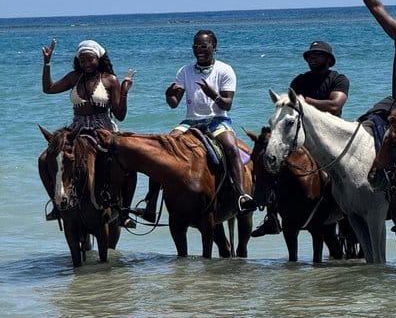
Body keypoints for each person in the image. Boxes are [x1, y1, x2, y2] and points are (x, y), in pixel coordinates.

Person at [135, 30, 254, 223]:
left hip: (217, 120)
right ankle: (151, 203)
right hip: (190, 121)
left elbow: (227, 105)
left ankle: (241, 195)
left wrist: (213, 94)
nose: (199, 50)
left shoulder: (225, 70)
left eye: (204, 47)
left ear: (214, 47)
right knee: (161, 148)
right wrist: (168, 95)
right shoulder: (185, 71)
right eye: (196, 47)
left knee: (231, 148)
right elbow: (174, 103)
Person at [251, 40, 350, 237]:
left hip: (328, 135)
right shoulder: (299, 81)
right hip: (299, 135)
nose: (312, 58)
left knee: (344, 172)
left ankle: (348, 212)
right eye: (310, 55)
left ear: (328, 59)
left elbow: (335, 105)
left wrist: (305, 102)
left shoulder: (338, 79)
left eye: (318, 55)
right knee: (271, 162)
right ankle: (271, 215)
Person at [39, 38, 137, 226]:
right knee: (44, 159)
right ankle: (57, 204)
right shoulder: (74, 77)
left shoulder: (110, 80)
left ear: (98, 59)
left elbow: (120, 115)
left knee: (129, 165)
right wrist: (47, 63)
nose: (86, 63)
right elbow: (48, 89)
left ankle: (124, 213)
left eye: (90, 59)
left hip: (103, 130)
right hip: (76, 130)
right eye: (82, 60)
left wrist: (124, 91)